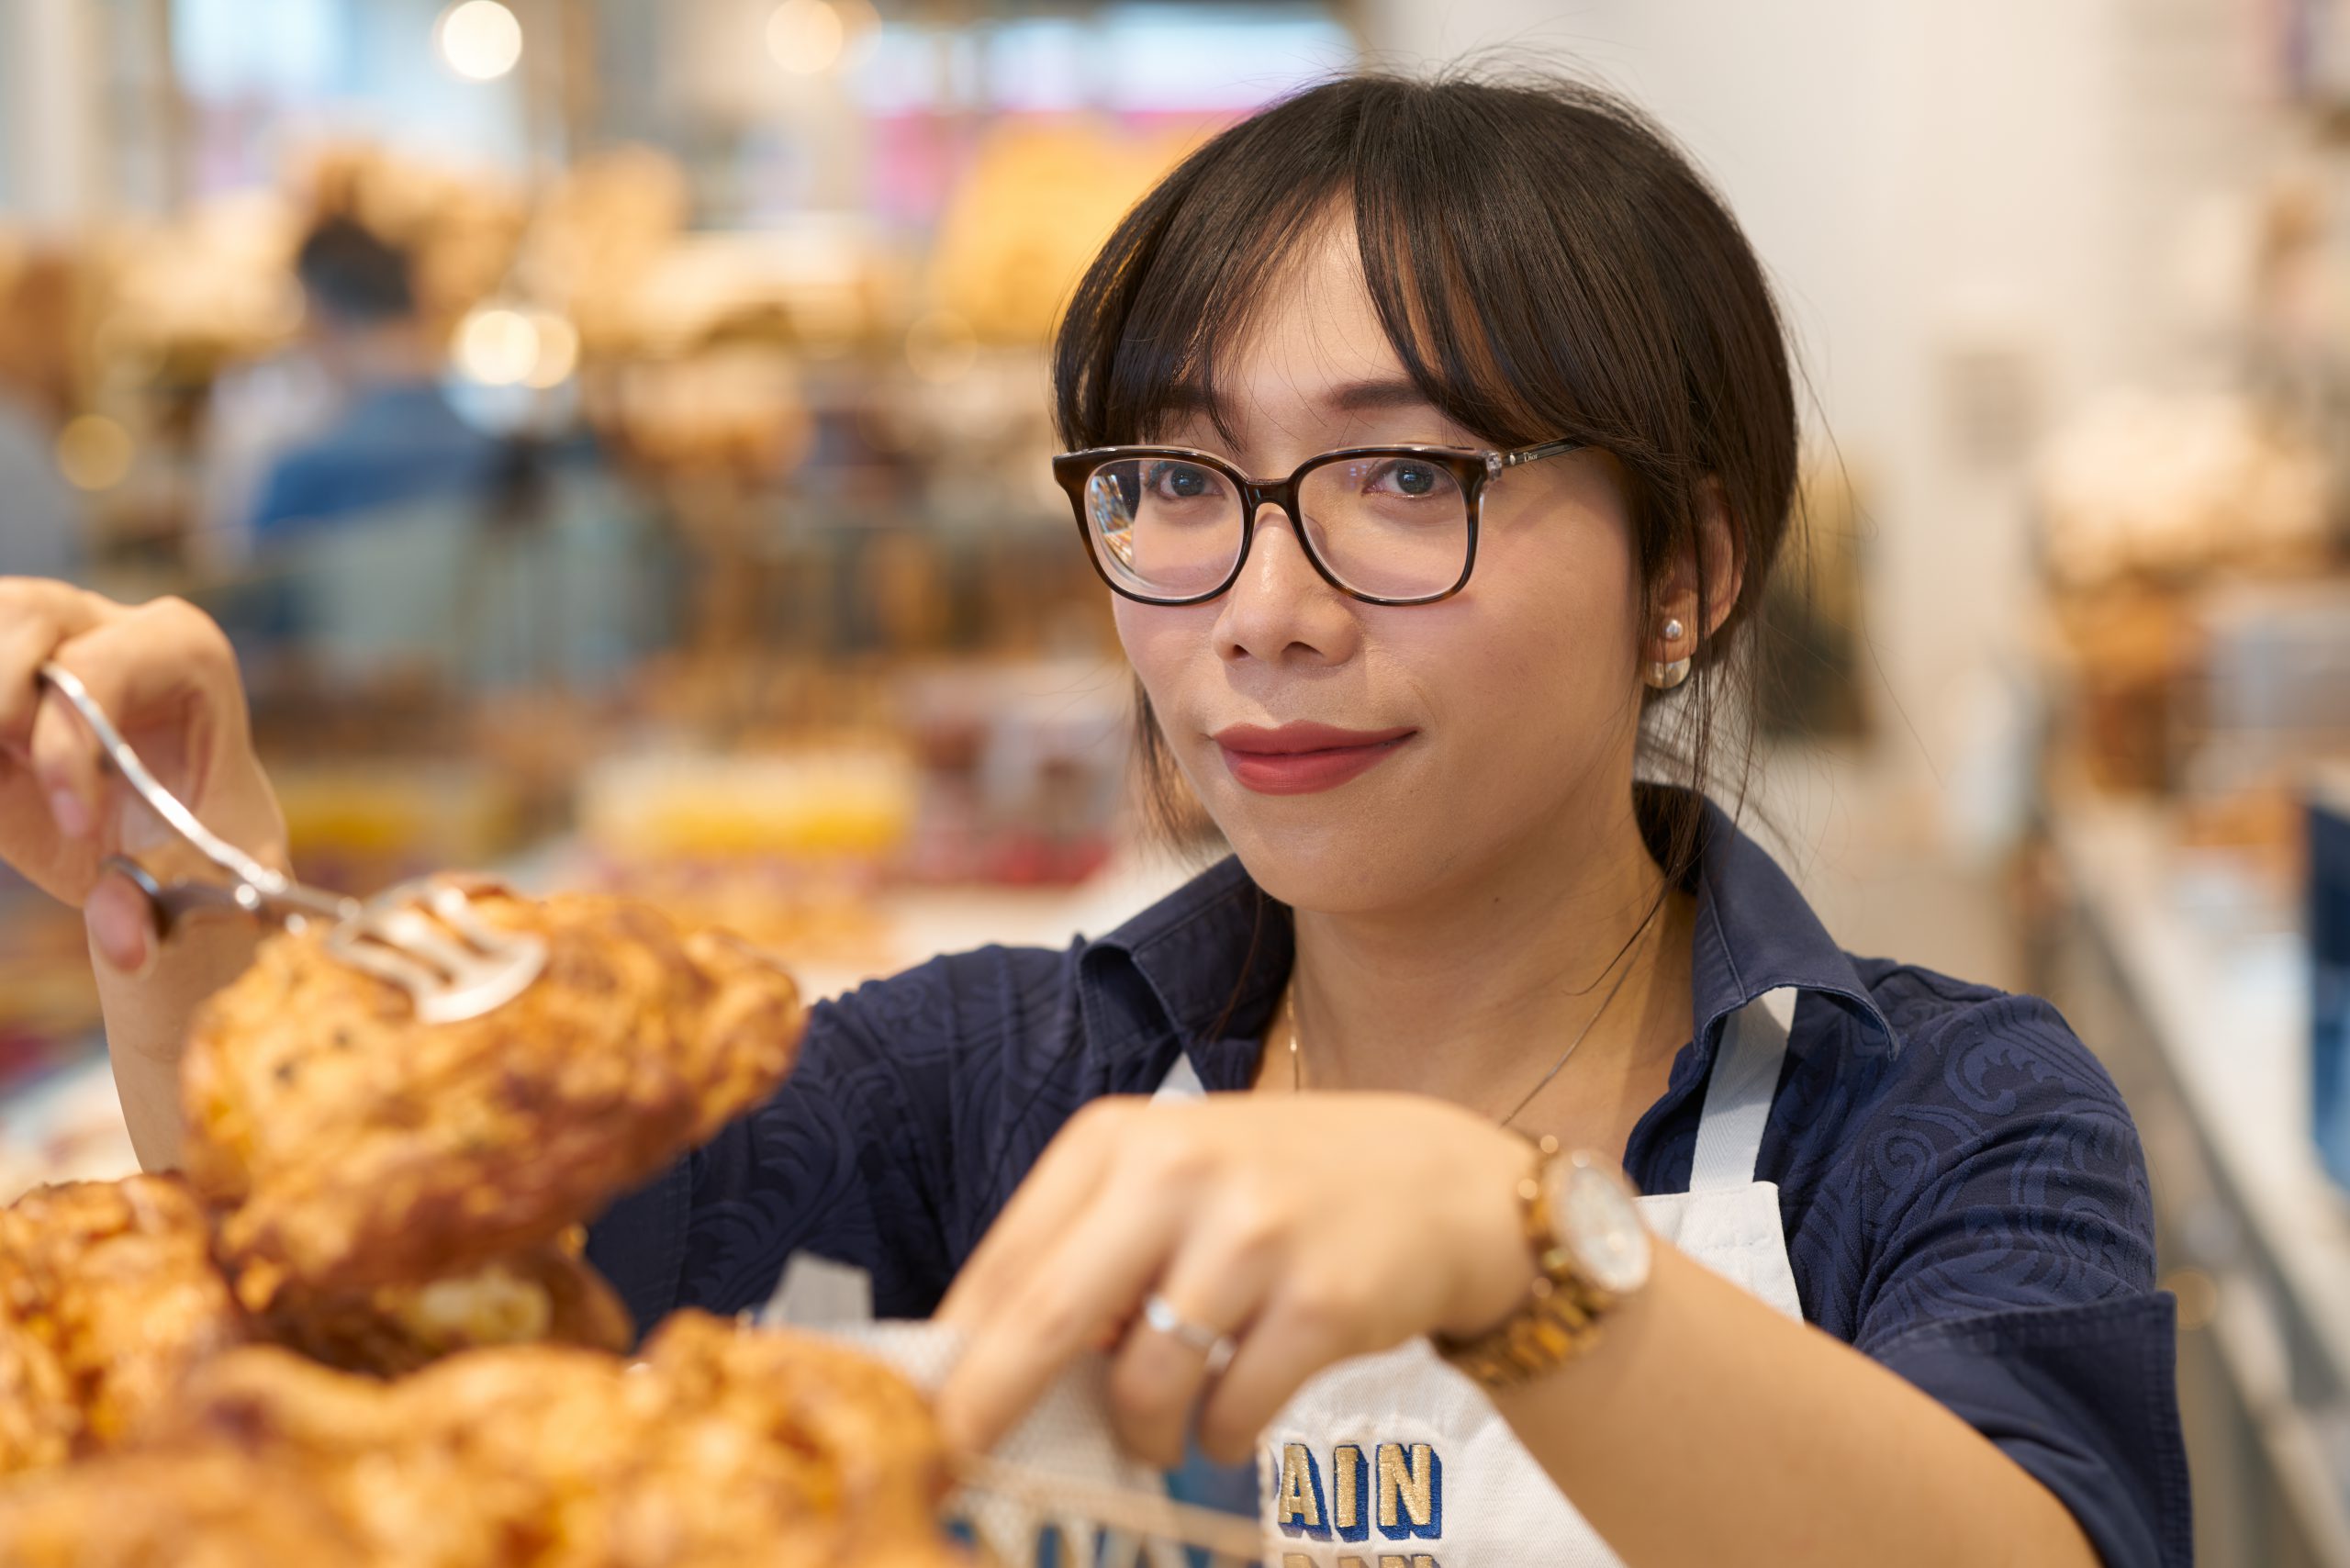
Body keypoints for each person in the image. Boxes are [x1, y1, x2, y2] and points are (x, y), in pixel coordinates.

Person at [0, 68, 2185, 1567]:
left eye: (1401, 475)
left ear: (1683, 568)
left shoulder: (1934, 1118)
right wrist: (169, 867)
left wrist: (1512, 1245)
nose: (1261, 608)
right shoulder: (981, 1087)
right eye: (1169, 482)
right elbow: (358, 1309)